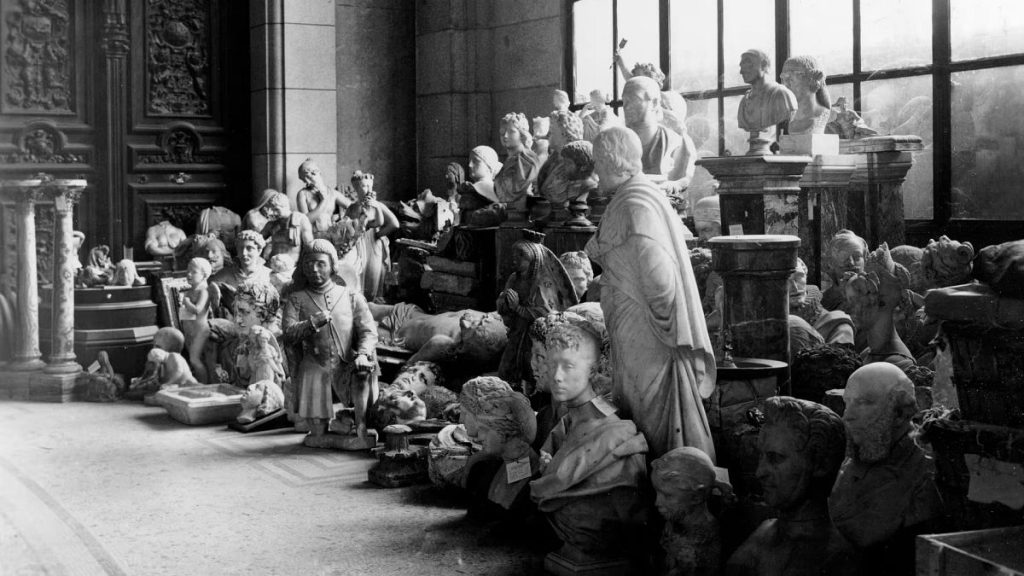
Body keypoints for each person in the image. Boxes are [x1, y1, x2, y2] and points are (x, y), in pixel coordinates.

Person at [585, 126, 716, 460]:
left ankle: (664, 477)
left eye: (598, 163)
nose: (595, 172)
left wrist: (662, 325)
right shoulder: (632, 197)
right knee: (638, 401)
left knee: (649, 406)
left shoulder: (636, 205)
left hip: (646, 330)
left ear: (612, 160)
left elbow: (660, 280)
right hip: (636, 323)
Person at [530, 316, 650, 569]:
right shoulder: (563, 428)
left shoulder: (615, 437)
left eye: (568, 366)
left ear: (592, 371)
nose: (557, 376)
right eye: (552, 365)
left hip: (594, 547)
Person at [829, 363, 943, 576]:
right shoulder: (859, 453)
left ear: (900, 413)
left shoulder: (925, 470)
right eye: (847, 403)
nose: (847, 416)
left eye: (863, 403)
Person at [726, 396, 855, 576]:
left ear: (820, 464)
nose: (759, 472)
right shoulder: (765, 531)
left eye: (775, 458)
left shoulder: (833, 560)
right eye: (760, 456)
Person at [282, 240, 379, 449]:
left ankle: (361, 428)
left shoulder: (351, 296)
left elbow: (368, 331)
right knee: (316, 431)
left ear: (332, 265)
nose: (314, 270)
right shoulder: (296, 299)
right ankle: (320, 430)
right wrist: (311, 324)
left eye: (320, 264)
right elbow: (289, 334)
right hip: (315, 363)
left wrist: (363, 353)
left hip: (347, 361)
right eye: (308, 264)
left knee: (362, 371)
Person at [496, 232, 578, 390]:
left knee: (534, 370)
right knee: (506, 370)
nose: (515, 259)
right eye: (514, 254)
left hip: (534, 339)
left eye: (521, 256)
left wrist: (518, 308)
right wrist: (504, 302)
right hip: (517, 333)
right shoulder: (514, 279)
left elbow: (547, 314)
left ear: (533, 258)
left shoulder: (543, 284)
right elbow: (504, 308)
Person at [652, 447, 729, 576]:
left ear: (696, 497)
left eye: (667, 496)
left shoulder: (703, 538)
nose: (657, 502)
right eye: (657, 492)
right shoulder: (677, 518)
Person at [622, 76, 696, 197]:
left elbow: (683, 180)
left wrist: (672, 186)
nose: (627, 107)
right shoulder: (619, 142)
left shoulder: (677, 143)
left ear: (655, 103)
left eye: (634, 99)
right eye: (624, 101)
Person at [344, 170, 398, 302]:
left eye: (369, 186)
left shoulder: (377, 205)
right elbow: (345, 224)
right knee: (357, 276)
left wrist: (379, 234)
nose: (368, 189)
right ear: (356, 188)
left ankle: (373, 305)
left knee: (373, 277)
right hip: (357, 244)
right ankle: (360, 305)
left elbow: (394, 224)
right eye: (364, 186)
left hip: (374, 245)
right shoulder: (352, 207)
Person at [737, 49, 797, 155]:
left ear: (764, 65)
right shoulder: (744, 101)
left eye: (748, 65)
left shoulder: (781, 95)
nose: (741, 71)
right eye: (741, 66)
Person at [494, 112, 541, 221]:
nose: (505, 136)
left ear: (522, 134)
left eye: (511, 132)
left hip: (521, 215)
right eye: (502, 132)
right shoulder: (507, 163)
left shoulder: (528, 161)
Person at [295, 158, 353, 233]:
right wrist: (323, 201)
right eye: (304, 180)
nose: (307, 182)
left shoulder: (332, 193)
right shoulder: (302, 194)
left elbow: (353, 207)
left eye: (309, 178)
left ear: (318, 173)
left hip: (332, 233)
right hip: (314, 235)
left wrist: (341, 215)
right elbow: (305, 221)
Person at [180, 257, 214, 383]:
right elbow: (186, 313)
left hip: (200, 330)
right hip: (190, 329)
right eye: (188, 271)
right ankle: (199, 383)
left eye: (193, 272)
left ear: (204, 275)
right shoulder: (190, 291)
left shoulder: (204, 291)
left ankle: (203, 385)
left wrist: (187, 302)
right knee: (193, 359)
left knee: (195, 359)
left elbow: (197, 310)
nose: (189, 274)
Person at [780, 55, 831, 135]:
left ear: (811, 80)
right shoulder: (792, 121)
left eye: (790, 78)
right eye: (783, 79)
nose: (784, 85)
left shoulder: (824, 115)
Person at [260, 191, 314, 264]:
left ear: (286, 206)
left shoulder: (301, 219)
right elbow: (256, 240)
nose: (273, 213)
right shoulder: (271, 224)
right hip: (273, 264)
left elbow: (309, 246)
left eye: (276, 209)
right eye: (272, 210)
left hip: (294, 266)